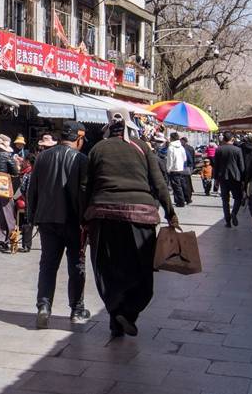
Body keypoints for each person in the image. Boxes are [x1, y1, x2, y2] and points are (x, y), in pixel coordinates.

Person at [83, 114, 177, 337]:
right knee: (141, 268)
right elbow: (158, 182)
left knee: (108, 268)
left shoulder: (97, 149)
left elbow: (86, 186)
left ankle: (116, 316)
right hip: (140, 217)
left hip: (103, 215)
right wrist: (170, 212)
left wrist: (84, 217)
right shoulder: (142, 147)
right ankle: (129, 312)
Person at [27, 123, 90, 329]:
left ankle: (44, 306)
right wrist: (86, 220)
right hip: (73, 222)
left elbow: (32, 189)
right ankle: (77, 309)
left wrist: (31, 216)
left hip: (47, 220)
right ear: (78, 139)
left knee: (47, 264)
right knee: (76, 266)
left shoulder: (42, 157)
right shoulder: (81, 159)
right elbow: (84, 192)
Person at [213, 132, 246, 227]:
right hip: (235, 178)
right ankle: (234, 213)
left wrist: (216, 179)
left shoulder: (219, 150)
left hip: (223, 178)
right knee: (238, 198)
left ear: (223, 139)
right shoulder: (238, 150)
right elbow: (241, 165)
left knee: (225, 200)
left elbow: (216, 166)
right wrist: (243, 179)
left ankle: (227, 221)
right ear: (232, 139)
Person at [164, 133, 187, 207]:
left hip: (173, 169)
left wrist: (168, 169)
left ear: (172, 138)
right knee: (180, 185)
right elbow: (185, 158)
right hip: (180, 168)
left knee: (176, 187)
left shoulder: (171, 148)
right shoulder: (181, 147)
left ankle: (180, 201)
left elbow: (170, 160)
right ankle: (180, 200)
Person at [179, 136, 195, 204]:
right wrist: (191, 167)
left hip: (181, 168)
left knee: (182, 185)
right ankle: (188, 198)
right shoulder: (190, 148)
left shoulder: (182, 149)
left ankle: (184, 198)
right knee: (188, 184)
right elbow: (192, 159)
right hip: (187, 168)